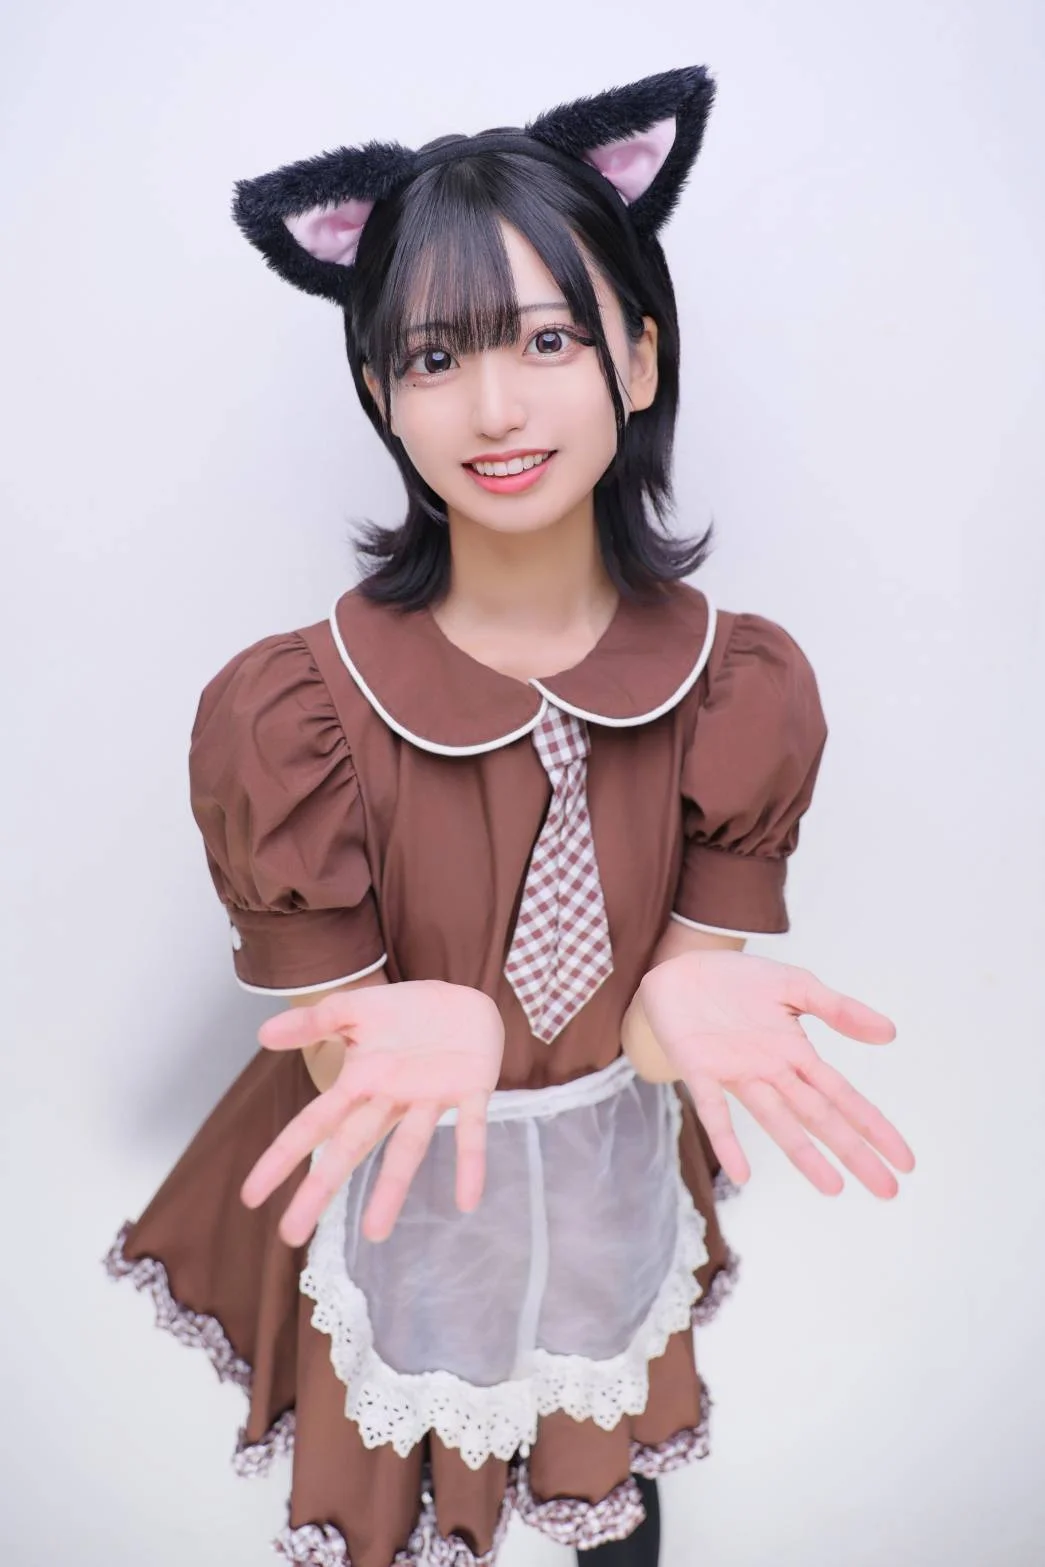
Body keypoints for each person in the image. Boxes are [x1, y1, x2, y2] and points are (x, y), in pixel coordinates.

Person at [103, 64, 915, 1567]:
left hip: (607, 1183)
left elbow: (665, 1028)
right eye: (435, 355)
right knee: (391, 1516)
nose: (495, 407)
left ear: (640, 357)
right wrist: (412, 1028)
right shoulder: (297, 714)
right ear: (378, 393)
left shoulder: (737, 689)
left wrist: (678, 1007)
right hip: (399, 1199)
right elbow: (345, 1054)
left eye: (548, 338)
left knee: (614, 1506)